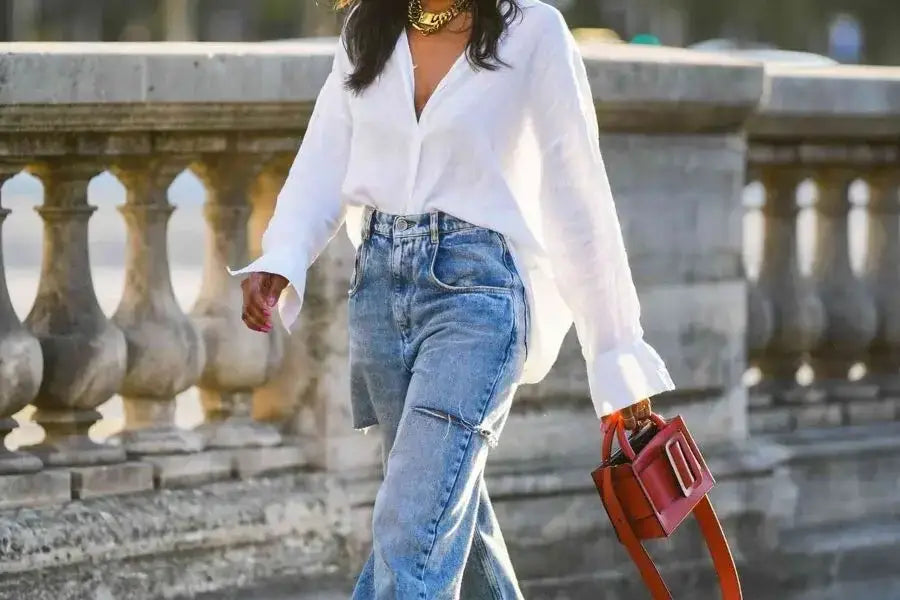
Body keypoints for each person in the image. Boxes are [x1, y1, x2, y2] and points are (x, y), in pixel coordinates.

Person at [231, 0, 675, 597]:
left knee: (410, 531)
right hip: (380, 295)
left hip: (478, 299)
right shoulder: (369, 27)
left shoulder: (533, 32)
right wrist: (281, 257)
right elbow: (324, 159)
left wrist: (617, 355)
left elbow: (577, 195)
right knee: (446, 514)